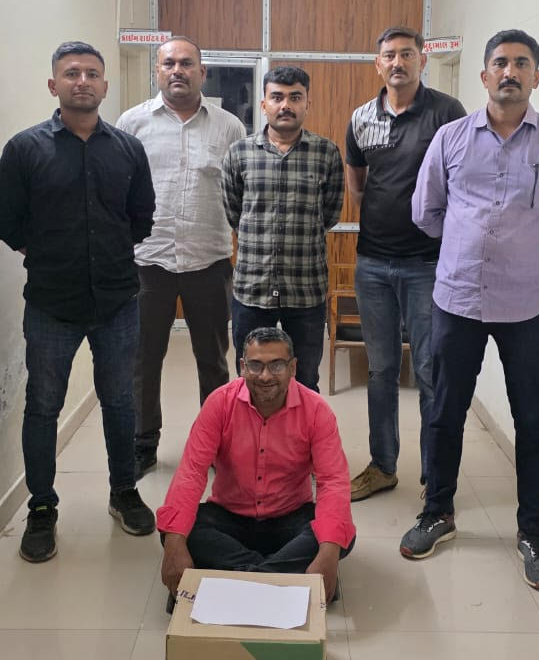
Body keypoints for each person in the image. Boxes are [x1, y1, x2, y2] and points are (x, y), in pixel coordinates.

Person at [399, 29, 539, 590]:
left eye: (521, 63)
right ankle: (437, 512)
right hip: (457, 299)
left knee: (532, 419)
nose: (510, 71)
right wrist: (466, 245)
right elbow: (426, 211)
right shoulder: (451, 139)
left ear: (537, 76)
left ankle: (534, 532)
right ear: (483, 76)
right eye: (500, 63)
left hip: (528, 304)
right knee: (444, 411)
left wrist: (534, 248)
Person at [0, 42, 157, 563]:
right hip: (52, 302)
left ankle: (123, 491)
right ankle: (42, 507)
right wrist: (45, 250)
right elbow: (8, 219)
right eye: (71, 73)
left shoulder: (128, 149)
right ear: (54, 85)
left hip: (117, 299)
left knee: (120, 400)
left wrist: (105, 251)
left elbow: (142, 216)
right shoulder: (24, 149)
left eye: (92, 73)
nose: (82, 81)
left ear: (105, 86)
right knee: (44, 405)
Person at [346, 26, 465, 501]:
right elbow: (357, 181)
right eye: (389, 55)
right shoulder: (361, 117)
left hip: (427, 265)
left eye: (407, 54)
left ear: (422, 60)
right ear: (378, 64)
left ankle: (435, 476)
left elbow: (462, 178)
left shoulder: (447, 112)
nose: (398, 62)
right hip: (372, 263)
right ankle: (383, 466)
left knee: (430, 371)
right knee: (380, 371)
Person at [117, 36, 245, 478]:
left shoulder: (229, 127)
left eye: (186, 63)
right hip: (147, 261)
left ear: (202, 72)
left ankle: (216, 443)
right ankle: (143, 442)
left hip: (209, 260)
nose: (177, 70)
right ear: (157, 71)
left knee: (213, 358)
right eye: (169, 63)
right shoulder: (132, 123)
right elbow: (119, 190)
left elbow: (239, 194)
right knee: (143, 357)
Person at [158, 327, 356, 605]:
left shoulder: (316, 410)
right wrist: (175, 542)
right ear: (242, 367)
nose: (265, 376)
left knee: (336, 537)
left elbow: (333, 481)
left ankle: (237, 579)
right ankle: (276, 579)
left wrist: (329, 552)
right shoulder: (219, 403)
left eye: (276, 365)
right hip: (229, 516)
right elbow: (191, 472)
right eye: (255, 365)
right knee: (178, 532)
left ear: (293, 368)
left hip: (290, 517)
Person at [221, 66, 344, 391]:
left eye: (295, 97)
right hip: (252, 289)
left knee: (305, 380)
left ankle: (298, 428)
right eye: (277, 97)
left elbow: (330, 214)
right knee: (249, 380)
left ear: (307, 103)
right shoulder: (239, 153)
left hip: (306, 290)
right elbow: (234, 213)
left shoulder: (326, 153)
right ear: (264, 104)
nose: (285, 105)